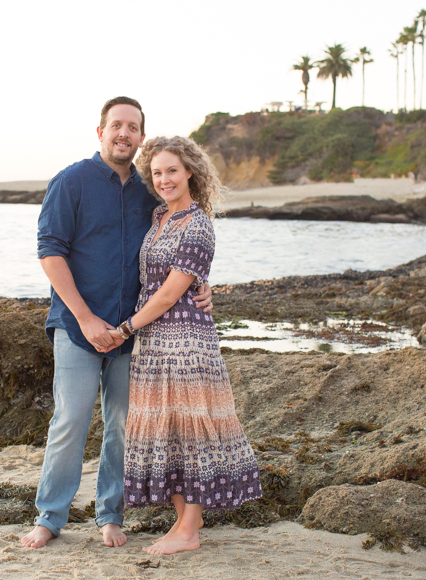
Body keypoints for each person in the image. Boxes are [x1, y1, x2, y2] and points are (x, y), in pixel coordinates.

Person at [23, 98, 212, 549]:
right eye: (116, 125)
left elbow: (180, 244)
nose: (124, 133)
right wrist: (85, 319)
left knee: (123, 424)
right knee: (69, 420)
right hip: (77, 327)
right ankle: (49, 517)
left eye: (133, 127)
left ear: (141, 137)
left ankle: (111, 515)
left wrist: (204, 284)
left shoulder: (151, 190)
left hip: (135, 332)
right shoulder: (72, 181)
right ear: (100, 131)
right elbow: (50, 251)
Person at [109, 136, 262, 555]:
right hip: (156, 342)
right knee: (168, 429)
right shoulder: (159, 216)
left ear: (190, 171)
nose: (164, 179)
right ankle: (181, 525)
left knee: (193, 430)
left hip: (186, 343)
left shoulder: (198, 223)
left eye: (172, 170)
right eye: (157, 173)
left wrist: (123, 330)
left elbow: (168, 293)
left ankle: (190, 530)